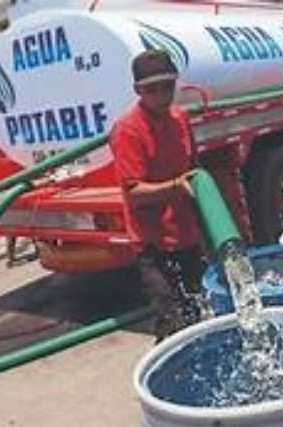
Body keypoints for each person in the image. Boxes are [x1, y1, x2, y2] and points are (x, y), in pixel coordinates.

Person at [109, 49, 208, 337]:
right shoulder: (128, 131)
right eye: (153, 89)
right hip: (154, 243)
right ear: (138, 91)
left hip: (186, 234)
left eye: (168, 86)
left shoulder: (180, 118)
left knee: (200, 310)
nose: (162, 95)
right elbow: (134, 192)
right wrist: (175, 187)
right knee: (172, 321)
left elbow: (194, 168)